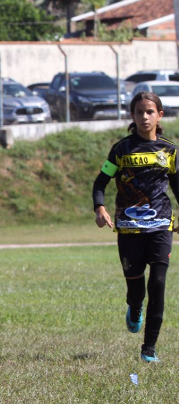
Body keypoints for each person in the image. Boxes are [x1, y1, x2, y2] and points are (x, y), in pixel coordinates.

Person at [93, 91, 178, 363]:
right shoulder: (121, 150)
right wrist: (100, 208)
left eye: (150, 112)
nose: (144, 116)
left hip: (161, 225)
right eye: (139, 112)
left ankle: (149, 349)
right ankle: (134, 306)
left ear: (159, 115)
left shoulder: (170, 150)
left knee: (159, 282)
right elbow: (100, 183)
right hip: (129, 228)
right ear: (133, 116)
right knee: (136, 290)